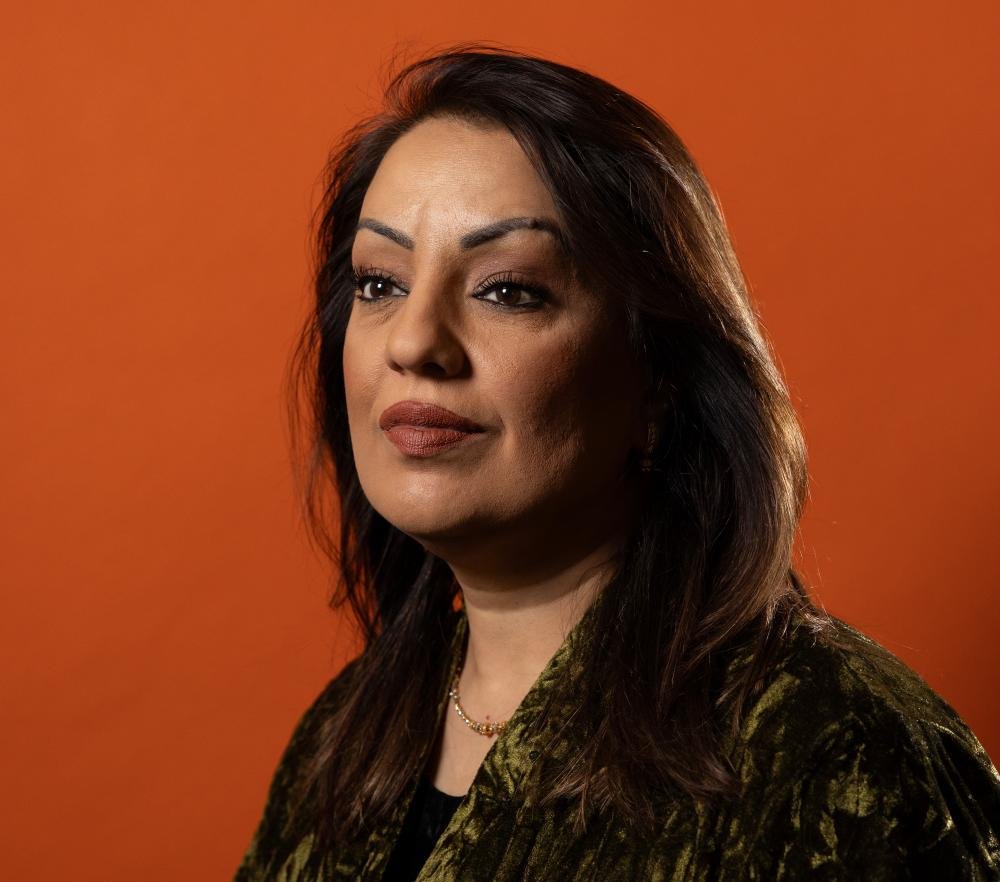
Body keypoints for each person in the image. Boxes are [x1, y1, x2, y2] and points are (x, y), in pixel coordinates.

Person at [233, 45, 1000, 881]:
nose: (415, 341)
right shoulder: (342, 744)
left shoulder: (840, 755)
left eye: (507, 289)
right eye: (380, 284)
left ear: (659, 384)